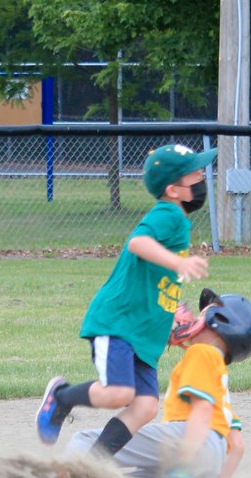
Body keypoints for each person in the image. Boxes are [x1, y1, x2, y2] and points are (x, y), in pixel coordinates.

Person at [35, 143, 216, 457]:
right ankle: (61, 397)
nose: (202, 179)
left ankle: (93, 465)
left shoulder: (178, 218)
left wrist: (169, 316)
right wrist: (179, 262)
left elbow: (155, 280)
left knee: (145, 406)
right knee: (119, 393)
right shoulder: (168, 213)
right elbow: (137, 243)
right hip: (119, 322)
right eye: (196, 175)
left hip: (143, 331)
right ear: (173, 190)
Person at [65, 290, 251, 478]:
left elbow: (202, 411)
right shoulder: (218, 374)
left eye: (203, 315)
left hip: (189, 442)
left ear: (220, 321)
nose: (193, 320)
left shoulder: (201, 352)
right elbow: (237, 446)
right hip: (213, 454)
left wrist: (186, 463)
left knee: (84, 442)